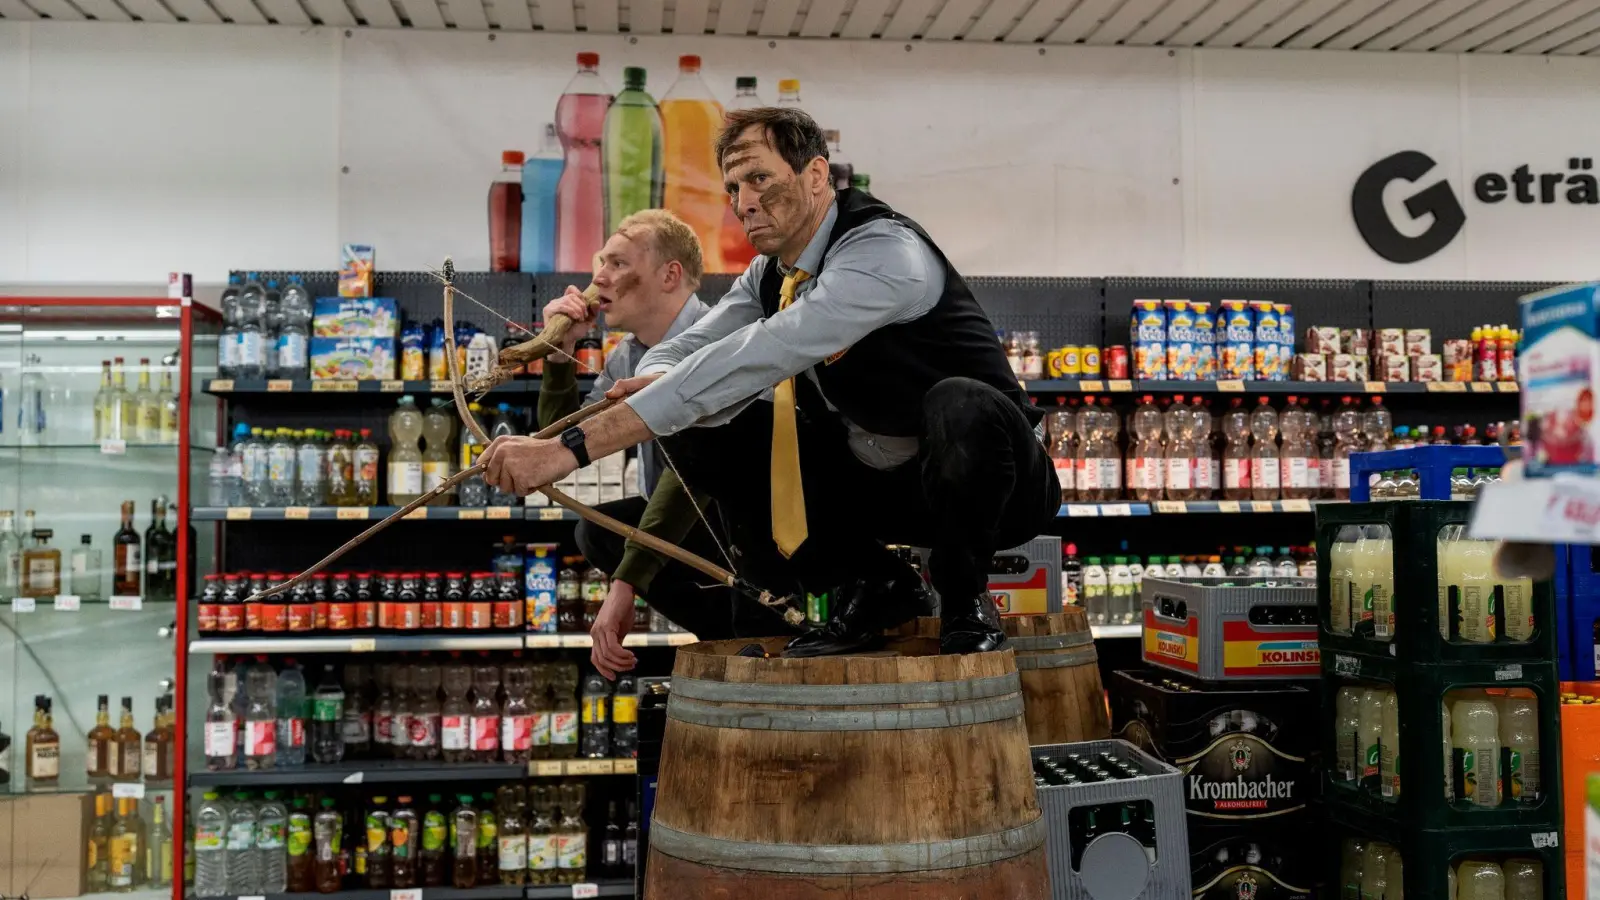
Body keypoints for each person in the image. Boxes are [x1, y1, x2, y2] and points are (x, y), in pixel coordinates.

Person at [481, 106, 1057, 656]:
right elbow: (695, 344)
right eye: (734, 188)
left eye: (759, 178)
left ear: (815, 176)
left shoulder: (881, 252)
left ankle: (963, 599)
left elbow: (764, 350)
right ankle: (878, 585)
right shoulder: (769, 275)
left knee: (961, 404)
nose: (744, 203)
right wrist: (655, 373)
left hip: (999, 486)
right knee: (701, 427)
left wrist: (567, 451)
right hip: (888, 486)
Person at [535, 209, 798, 677]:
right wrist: (561, 352)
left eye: (617, 263)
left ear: (670, 274)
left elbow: (698, 471)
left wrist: (626, 583)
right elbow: (554, 452)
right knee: (597, 530)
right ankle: (722, 640)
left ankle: (751, 642)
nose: (598, 277)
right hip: (687, 528)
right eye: (601, 262)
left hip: (755, 531)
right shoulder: (628, 357)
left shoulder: (726, 342)